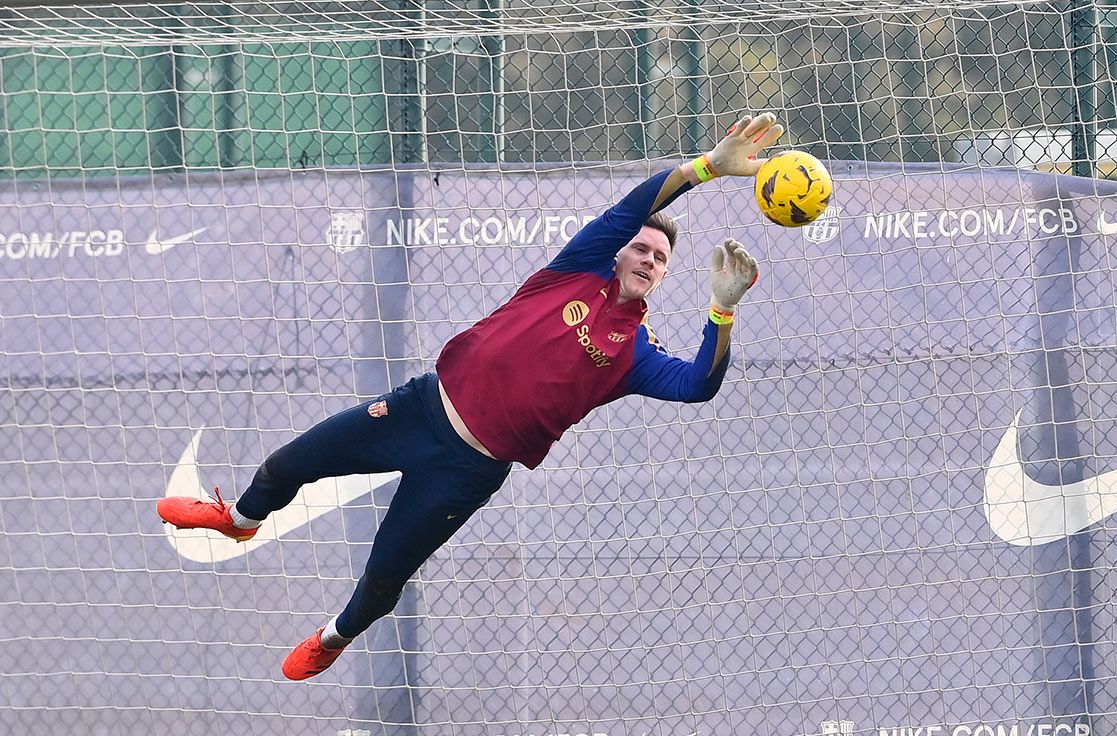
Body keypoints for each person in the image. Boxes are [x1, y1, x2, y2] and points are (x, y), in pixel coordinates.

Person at [157, 112, 785, 680]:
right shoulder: (577, 267)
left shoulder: (634, 354)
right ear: (619, 250)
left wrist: (722, 311)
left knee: (384, 577)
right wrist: (708, 168)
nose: (649, 258)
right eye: (642, 247)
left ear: (667, 275)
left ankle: (333, 637)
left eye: (661, 258)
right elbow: (632, 204)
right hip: (419, 409)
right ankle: (238, 520)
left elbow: (698, 386)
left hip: (469, 469)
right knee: (284, 467)